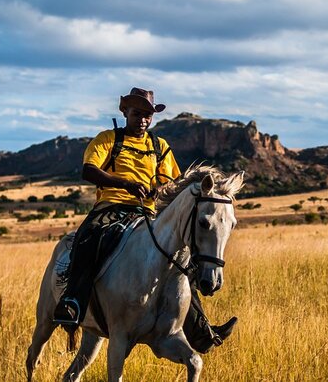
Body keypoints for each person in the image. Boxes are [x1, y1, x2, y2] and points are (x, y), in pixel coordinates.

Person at [52, 87, 236, 353]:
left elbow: (173, 180)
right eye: (137, 113)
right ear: (125, 112)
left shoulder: (159, 146)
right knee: (88, 239)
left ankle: (200, 330)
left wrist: (161, 189)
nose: (143, 119)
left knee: (178, 260)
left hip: (147, 213)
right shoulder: (108, 140)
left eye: (147, 115)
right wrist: (125, 183)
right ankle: (72, 301)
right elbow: (89, 170)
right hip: (110, 208)